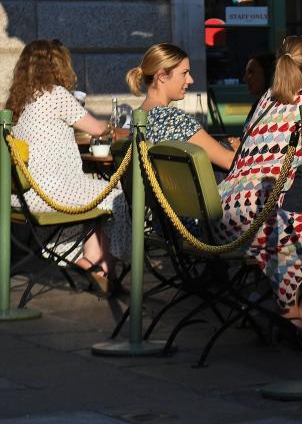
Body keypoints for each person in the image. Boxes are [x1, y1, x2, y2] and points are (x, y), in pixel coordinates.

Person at [216, 34, 302, 327]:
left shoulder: (267, 99)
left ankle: (285, 307)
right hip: (259, 215)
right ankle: (297, 316)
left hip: (225, 211)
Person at [6, 39, 130, 292]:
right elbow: (97, 129)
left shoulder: (18, 102)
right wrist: (127, 132)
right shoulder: (56, 94)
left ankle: (90, 262)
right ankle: (103, 268)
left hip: (22, 196)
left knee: (95, 193)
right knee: (114, 196)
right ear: (59, 66)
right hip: (51, 194)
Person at [128, 44, 239, 170]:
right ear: (162, 76)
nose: (190, 80)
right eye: (184, 73)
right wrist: (240, 148)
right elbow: (229, 161)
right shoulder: (174, 119)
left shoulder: (137, 118)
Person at [242, 51, 275, 123]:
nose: (245, 79)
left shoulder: (276, 109)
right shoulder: (258, 106)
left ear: (268, 74)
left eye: (251, 72)